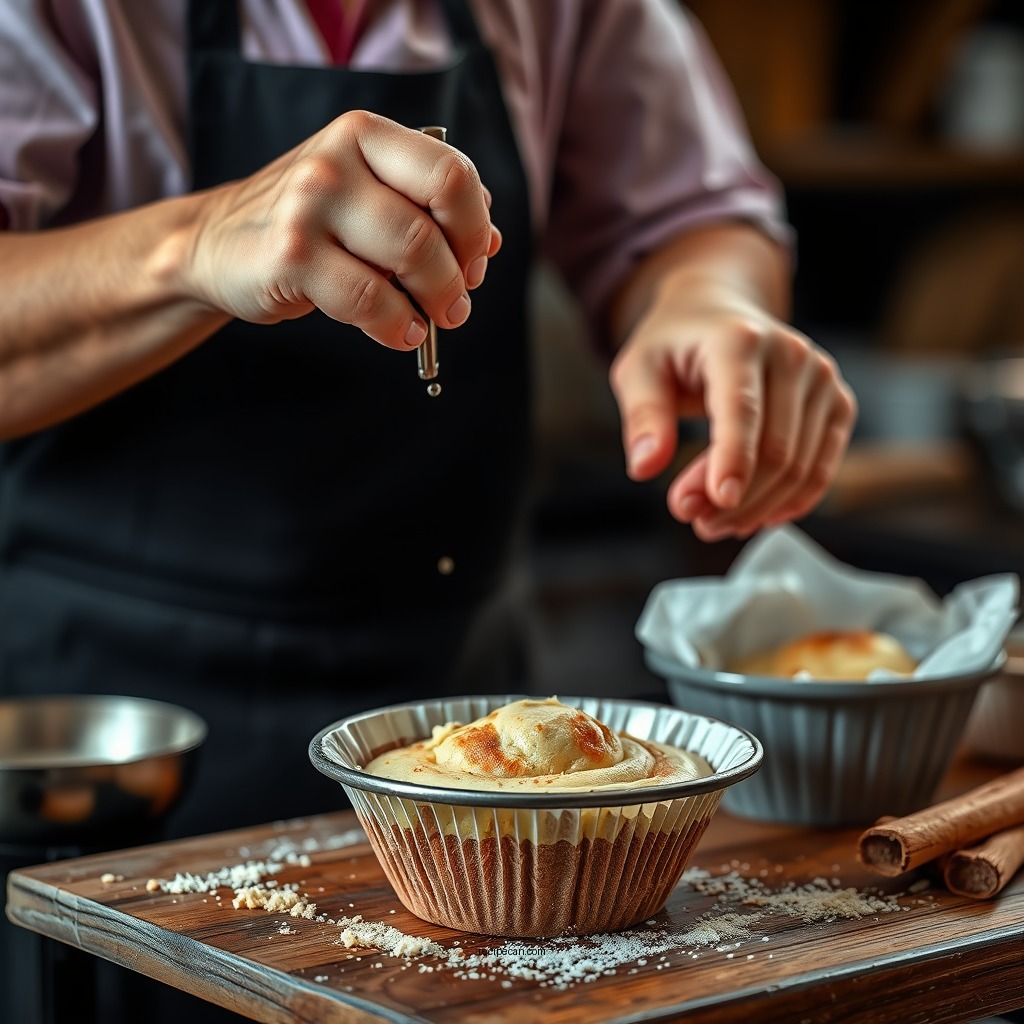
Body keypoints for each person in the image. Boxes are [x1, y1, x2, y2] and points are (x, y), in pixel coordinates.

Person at [0, 0, 856, 842]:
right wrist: (191, 245)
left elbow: (694, 217)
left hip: (469, 732)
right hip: (108, 742)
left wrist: (705, 300)